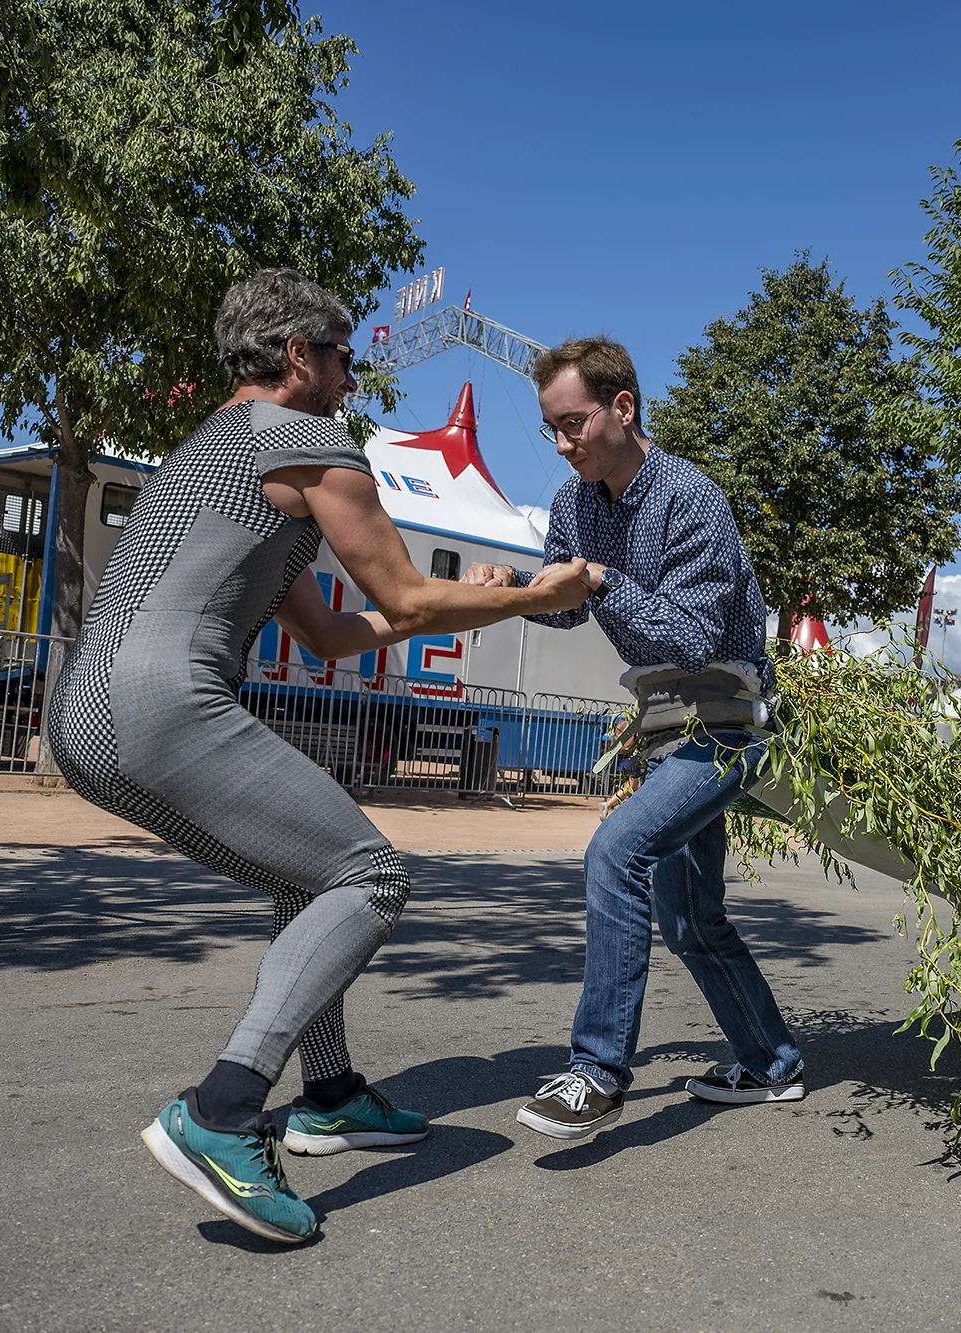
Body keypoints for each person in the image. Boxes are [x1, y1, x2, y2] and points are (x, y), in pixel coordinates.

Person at [46, 269, 592, 1244]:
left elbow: (335, 632)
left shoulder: (211, 449)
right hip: (160, 700)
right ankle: (221, 1109)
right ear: (298, 354)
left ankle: (330, 1092)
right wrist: (533, 597)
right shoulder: (310, 443)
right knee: (371, 877)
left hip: (85, 712)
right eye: (341, 356)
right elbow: (416, 602)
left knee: (311, 874)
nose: (352, 377)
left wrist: (479, 592)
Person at [464, 337, 801, 1141]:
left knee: (616, 851)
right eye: (551, 428)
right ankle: (772, 1060)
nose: (560, 443)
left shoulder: (691, 498)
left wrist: (604, 578)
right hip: (664, 732)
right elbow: (565, 606)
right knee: (689, 920)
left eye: (572, 423)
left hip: (728, 727)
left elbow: (687, 637)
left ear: (623, 407)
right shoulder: (572, 506)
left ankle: (597, 1073)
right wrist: (516, 588)